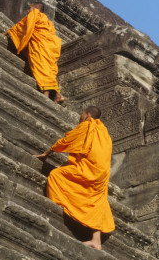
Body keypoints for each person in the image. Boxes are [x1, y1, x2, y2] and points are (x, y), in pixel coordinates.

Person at [34, 106, 115, 249]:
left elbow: (67, 140)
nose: (80, 116)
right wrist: (64, 164)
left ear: (88, 115)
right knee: (97, 199)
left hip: (90, 170)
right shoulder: (104, 133)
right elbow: (85, 153)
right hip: (101, 173)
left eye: (82, 113)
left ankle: (58, 209)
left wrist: (47, 153)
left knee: (55, 175)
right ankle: (96, 240)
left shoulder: (87, 125)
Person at [6, 2, 64, 104]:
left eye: (29, 8)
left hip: (41, 46)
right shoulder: (48, 22)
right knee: (49, 70)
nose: (27, 11)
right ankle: (58, 95)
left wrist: (10, 32)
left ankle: (45, 96)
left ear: (34, 8)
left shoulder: (35, 14)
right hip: (50, 47)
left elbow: (24, 27)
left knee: (41, 68)